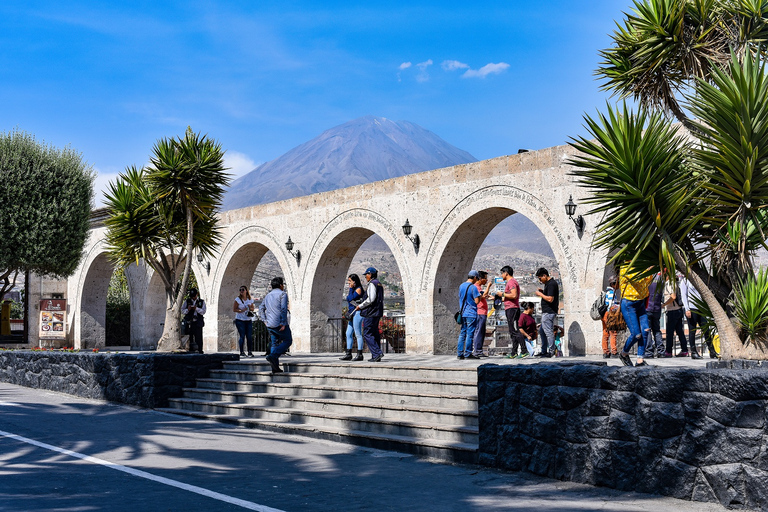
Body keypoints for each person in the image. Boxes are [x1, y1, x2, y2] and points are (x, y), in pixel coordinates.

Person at [617, 264, 653, 367]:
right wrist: (648, 271)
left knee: (645, 330)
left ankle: (640, 360)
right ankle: (624, 353)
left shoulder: (642, 268)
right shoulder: (625, 267)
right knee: (636, 334)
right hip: (629, 304)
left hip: (640, 302)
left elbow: (647, 282)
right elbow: (639, 280)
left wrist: (648, 272)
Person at [259, 277, 292, 373]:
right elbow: (283, 309)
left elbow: (261, 308)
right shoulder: (283, 294)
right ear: (281, 285)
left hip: (270, 324)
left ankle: (275, 367)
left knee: (274, 343)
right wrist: (283, 323)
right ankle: (273, 356)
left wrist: (264, 320)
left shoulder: (268, 296)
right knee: (288, 340)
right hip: (279, 323)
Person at [353, 267, 385, 362]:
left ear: (370, 274)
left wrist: (360, 306)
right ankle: (376, 355)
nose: (365, 276)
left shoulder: (372, 284)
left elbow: (371, 299)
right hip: (377, 312)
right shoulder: (379, 284)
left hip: (371, 312)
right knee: (374, 333)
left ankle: (377, 353)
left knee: (367, 333)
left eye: (366, 274)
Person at [679, 276, 710, 359]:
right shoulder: (685, 281)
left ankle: (712, 350)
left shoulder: (699, 278)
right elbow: (684, 296)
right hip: (692, 308)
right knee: (692, 330)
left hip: (701, 307)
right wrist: (687, 308)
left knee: (706, 329)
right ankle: (693, 351)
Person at [495, 266, 523, 357]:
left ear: (506, 273)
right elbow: (509, 297)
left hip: (512, 309)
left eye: (502, 273)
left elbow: (514, 295)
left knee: (514, 331)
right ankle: (514, 352)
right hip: (510, 308)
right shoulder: (510, 282)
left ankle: (524, 350)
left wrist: (502, 293)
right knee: (512, 331)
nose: (501, 275)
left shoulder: (511, 282)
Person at [340, 274, 366, 361]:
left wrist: (351, 288)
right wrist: (351, 288)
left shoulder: (358, 289)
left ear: (354, 281)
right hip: (352, 313)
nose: (348, 283)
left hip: (357, 313)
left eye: (350, 281)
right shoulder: (354, 289)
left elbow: (350, 298)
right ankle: (348, 353)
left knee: (358, 334)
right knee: (348, 333)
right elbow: (348, 298)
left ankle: (360, 354)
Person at [535, 267, 559, 358]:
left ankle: (552, 351)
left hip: (549, 312)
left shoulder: (551, 284)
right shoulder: (548, 284)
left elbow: (550, 299)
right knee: (542, 331)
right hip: (546, 312)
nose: (540, 281)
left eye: (540, 278)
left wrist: (540, 294)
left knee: (548, 331)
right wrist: (543, 292)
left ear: (544, 275)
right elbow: (548, 295)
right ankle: (544, 350)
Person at [457, 270, 481, 359]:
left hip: (463, 313)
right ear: (475, 277)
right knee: (470, 334)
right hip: (471, 313)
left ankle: (460, 353)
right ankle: (468, 353)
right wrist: (480, 296)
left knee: (462, 333)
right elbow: (477, 301)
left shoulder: (461, 286)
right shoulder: (473, 287)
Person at [663, 273, 687, 358]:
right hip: (678, 310)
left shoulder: (669, 283)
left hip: (672, 310)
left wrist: (664, 304)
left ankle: (668, 351)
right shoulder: (676, 283)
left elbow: (673, 296)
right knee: (679, 331)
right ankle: (684, 350)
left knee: (670, 332)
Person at [470, 271, 493, 358]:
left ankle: (479, 350)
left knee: (481, 332)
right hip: (480, 313)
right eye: (485, 278)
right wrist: (488, 286)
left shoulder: (478, 287)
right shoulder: (476, 287)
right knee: (479, 331)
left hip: (482, 313)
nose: (486, 280)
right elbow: (483, 295)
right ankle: (477, 350)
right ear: (480, 279)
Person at [645, 272, 665, 358]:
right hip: (657, 308)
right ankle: (661, 351)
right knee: (657, 330)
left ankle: (649, 352)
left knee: (648, 330)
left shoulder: (647, 279)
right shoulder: (661, 279)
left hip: (647, 307)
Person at [182, 288, 206, 354]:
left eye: (194, 296)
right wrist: (188, 310)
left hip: (198, 322)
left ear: (197, 294)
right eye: (192, 296)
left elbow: (203, 311)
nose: (193, 298)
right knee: (190, 337)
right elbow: (182, 311)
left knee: (198, 337)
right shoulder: (187, 301)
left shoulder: (201, 302)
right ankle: (190, 350)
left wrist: (196, 308)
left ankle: (200, 350)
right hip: (190, 322)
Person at [233, 285, 255, 357]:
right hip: (240, 320)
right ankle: (241, 352)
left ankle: (249, 351)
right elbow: (234, 309)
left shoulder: (249, 299)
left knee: (249, 336)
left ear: (246, 291)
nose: (241, 291)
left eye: (243, 289)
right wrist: (241, 310)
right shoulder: (238, 299)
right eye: (240, 290)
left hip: (248, 319)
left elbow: (252, 308)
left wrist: (249, 308)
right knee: (242, 336)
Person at [601, 276, 620, 358]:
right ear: (613, 284)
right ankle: (614, 352)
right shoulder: (611, 293)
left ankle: (605, 352)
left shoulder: (606, 292)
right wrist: (619, 306)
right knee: (613, 333)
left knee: (605, 333)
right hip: (609, 314)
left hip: (604, 314)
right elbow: (611, 305)